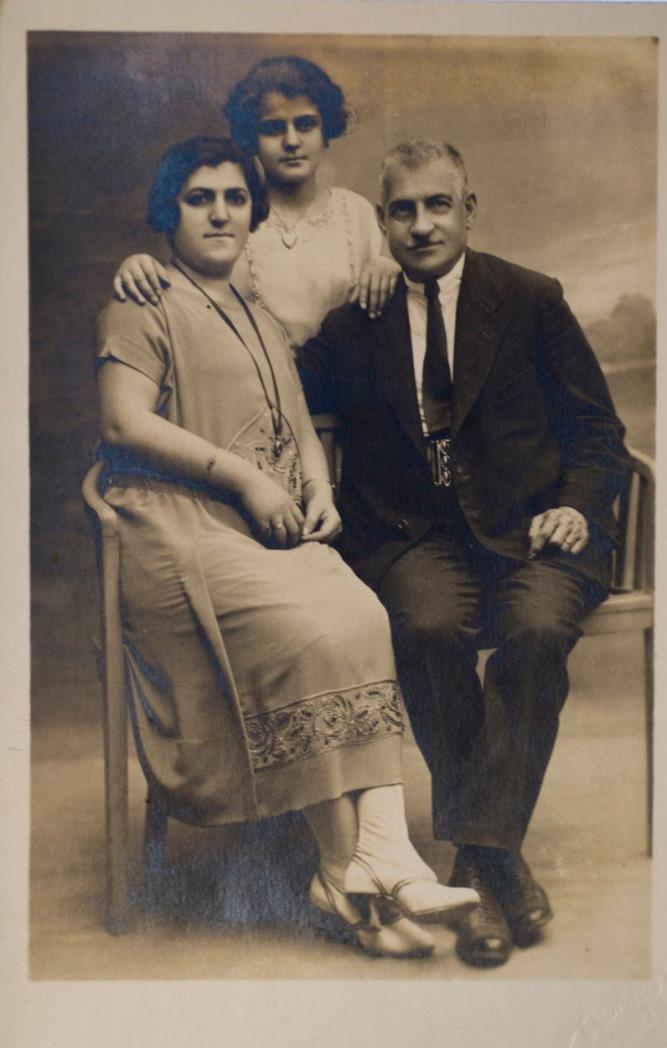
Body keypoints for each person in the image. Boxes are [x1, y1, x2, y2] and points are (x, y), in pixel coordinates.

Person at [94, 134, 478, 960]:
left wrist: (318, 489)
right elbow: (123, 423)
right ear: (170, 211)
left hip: (258, 528)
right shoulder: (143, 300)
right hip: (177, 532)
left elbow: (299, 424)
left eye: (235, 198)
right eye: (200, 198)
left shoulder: (258, 312)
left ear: (253, 213)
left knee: (360, 614)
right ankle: (342, 871)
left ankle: (382, 856)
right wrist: (245, 479)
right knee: (307, 632)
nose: (220, 214)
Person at [298, 139, 630, 968]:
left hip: (533, 529)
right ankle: (497, 861)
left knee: (537, 629)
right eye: (403, 211)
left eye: (438, 205)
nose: (421, 226)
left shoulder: (528, 299)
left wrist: (576, 507)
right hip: (414, 536)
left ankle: (478, 862)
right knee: (425, 627)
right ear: (383, 223)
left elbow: (598, 432)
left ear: (469, 210)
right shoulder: (358, 321)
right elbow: (269, 379)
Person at [112, 56, 400, 359]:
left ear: (325, 129)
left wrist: (391, 267)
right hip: (250, 381)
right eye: (273, 128)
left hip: (349, 383)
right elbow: (187, 289)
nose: (291, 141)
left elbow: (399, 307)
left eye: (305, 125)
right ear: (251, 136)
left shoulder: (357, 212)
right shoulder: (230, 215)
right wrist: (140, 267)